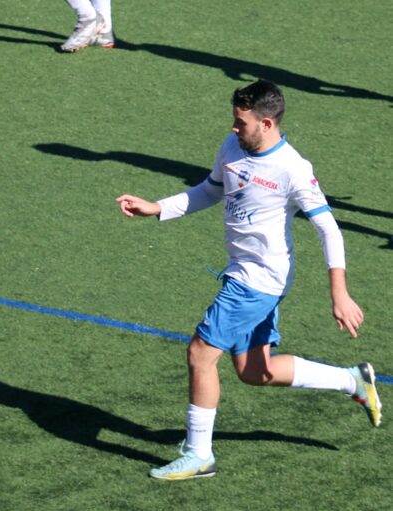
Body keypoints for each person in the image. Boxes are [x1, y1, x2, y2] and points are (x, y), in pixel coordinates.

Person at [116, 79, 381, 480]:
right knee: (255, 371)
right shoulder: (233, 148)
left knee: (200, 353)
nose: (233, 128)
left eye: (241, 122)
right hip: (242, 273)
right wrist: (157, 208)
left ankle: (199, 454)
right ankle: (351, 380)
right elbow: (210, 190)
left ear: (268, 123)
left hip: (259, 280)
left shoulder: (293, 168)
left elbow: (329, 229)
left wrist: (339, 292)